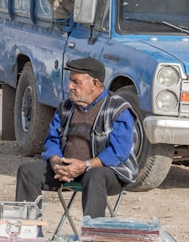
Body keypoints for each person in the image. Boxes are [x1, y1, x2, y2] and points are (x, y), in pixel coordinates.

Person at [15, 57, 138, 220]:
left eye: (76, 82)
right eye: (70, 81)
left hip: (109, 173)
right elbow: (52, 140)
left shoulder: (118, 109)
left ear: (95, 84)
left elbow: (119, 153)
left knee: (95, 176)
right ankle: (28, 234)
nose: (70, 86)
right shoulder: (65, 108)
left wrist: (85, 165)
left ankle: (91, 240)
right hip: (67, 169)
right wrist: (56, 162)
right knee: (27, 172)